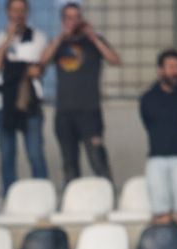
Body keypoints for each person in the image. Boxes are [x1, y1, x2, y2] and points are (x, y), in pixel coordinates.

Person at [41, 2, 120, 183]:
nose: (73, 22)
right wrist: (61, 37)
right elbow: (42, 61)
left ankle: (107, 192)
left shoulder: (93, 42)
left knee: (97, 158)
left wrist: (93, 38)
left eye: (77, 17)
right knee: (69, 163)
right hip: (64, 112)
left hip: (90, 111)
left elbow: (114, 60)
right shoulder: (58, 43)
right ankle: (72, 202)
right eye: (69, 18)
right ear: (63, 20)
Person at [0, 0, 49, 189]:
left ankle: (42, 192)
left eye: (22, 10)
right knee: (6, 154)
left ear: (27, 12)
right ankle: (10, 195)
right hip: (2, 103)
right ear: (7, 12)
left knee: (35, 152)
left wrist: (19, 69)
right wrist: (8, 38)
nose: (18, 15)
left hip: (29, 101)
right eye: (14, 10)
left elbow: (39, 68)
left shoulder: (38, 38)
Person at [140, 50, 177, 246]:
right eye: (171, 67)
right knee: (160, 210)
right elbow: (147, 122)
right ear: (160, 70)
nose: (175, 71)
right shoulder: (148, 98)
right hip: (156, 157)